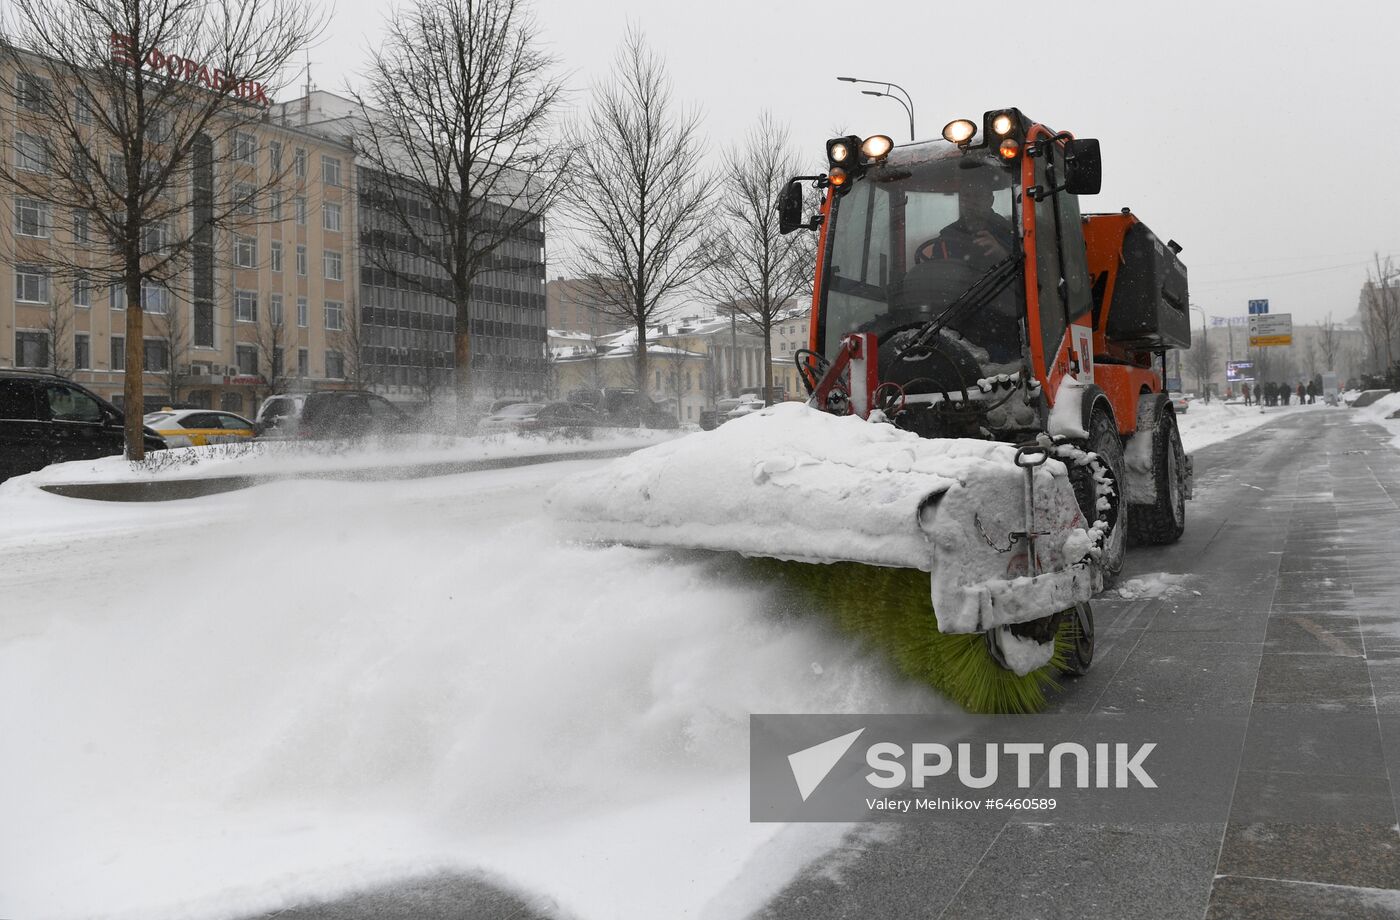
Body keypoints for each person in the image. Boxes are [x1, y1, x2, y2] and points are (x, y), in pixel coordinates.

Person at [920, 167, 1017, 273]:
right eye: (966, 196)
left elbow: (1022, 272)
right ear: (960, 201)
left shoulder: (1008, 231)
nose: (971, 201)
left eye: (978, 195)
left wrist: (1001, 253)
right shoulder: (947, 236)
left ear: (991, 200)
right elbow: (936, 277)